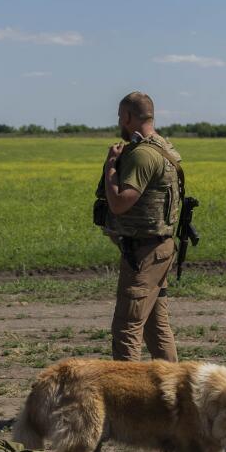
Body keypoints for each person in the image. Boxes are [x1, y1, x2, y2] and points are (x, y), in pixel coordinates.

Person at [96, 91, 182, 362]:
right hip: (159, 248)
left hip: (144, 254)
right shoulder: (164, 148)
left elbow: (121, 203)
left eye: (121, 116)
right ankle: (173, 396)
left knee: (126, 327)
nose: (119, 121)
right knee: (155, 328)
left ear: (130, 117)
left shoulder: (143, 155)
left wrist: (111, 165)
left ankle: (126, 398)